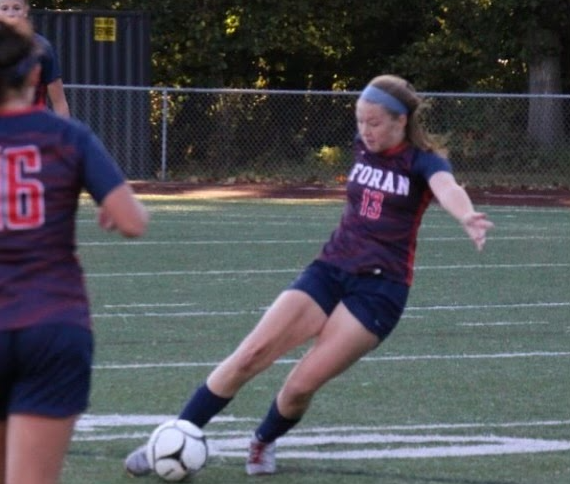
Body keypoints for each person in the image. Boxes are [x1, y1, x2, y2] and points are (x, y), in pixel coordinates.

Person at [125, 74, 494, 477]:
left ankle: (263, 440)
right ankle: (175, 435)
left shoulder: (423, 160)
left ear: (400, 121)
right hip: (330, 269)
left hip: (379, 291)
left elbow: (446, 187)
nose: (364, 131)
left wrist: (466, 215)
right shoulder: (360, 148)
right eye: (359, 121)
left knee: (300, 386)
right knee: (250, 354)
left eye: (374, 123)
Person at [0, 17, 149, 484]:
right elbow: (132, 222)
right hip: (52, 323)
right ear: (34, 74)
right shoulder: (69, 137)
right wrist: (107, 200)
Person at [0, 0, 70, 117]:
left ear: (26, 10)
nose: (11, 14)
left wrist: (64, 133)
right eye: (4, 8)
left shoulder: (41, 48)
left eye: (16, 8)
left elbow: (59, 101)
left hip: (32, 125)